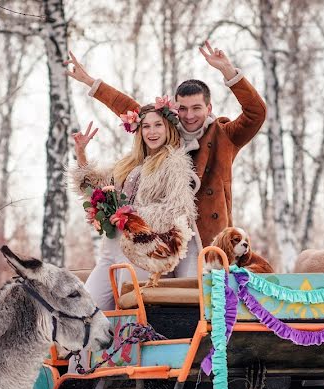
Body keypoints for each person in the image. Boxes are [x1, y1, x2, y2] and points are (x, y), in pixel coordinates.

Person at [66, 41, 267, 246]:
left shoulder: (225, 136)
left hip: (209, 237)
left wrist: (228, 71)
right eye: (183, 108)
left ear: (209, 108)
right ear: (175, 108)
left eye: (196, 108)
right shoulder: (166, 130)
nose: (189, 115)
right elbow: (129, 108)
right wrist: (90, 82)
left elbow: (256, 113)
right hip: (166, 235)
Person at [69, 103, 200, 311]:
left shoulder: (173, 162)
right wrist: (81, 153)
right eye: (146, 126)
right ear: (139, 131)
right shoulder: (127, 163)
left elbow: (178, 208)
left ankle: (132, 344)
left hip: (140, 251)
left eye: (158, 125)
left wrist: (131, 216)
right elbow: (94, 188)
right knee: (89, 309)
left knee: (129, 313)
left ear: (168, 128)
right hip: (111, 247)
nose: (152, 131)